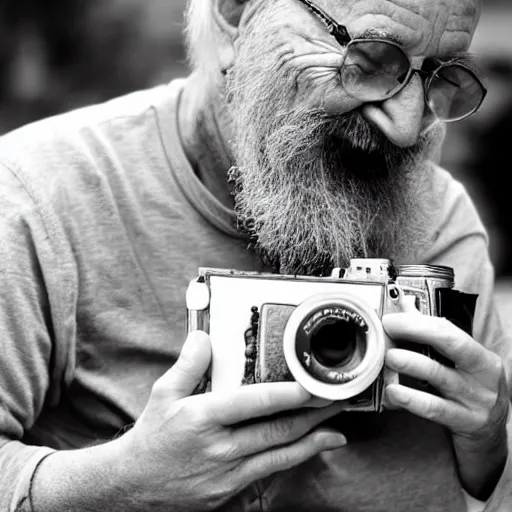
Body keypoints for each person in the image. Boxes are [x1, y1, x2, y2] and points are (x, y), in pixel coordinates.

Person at [0, 0, 510, 510]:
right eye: (371, 61)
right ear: (236, 15)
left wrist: (490, 437)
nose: (405, 127)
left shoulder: (437, 212)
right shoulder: (40, 196)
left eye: (442, 76)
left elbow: (492, 481)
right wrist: (122, 484)